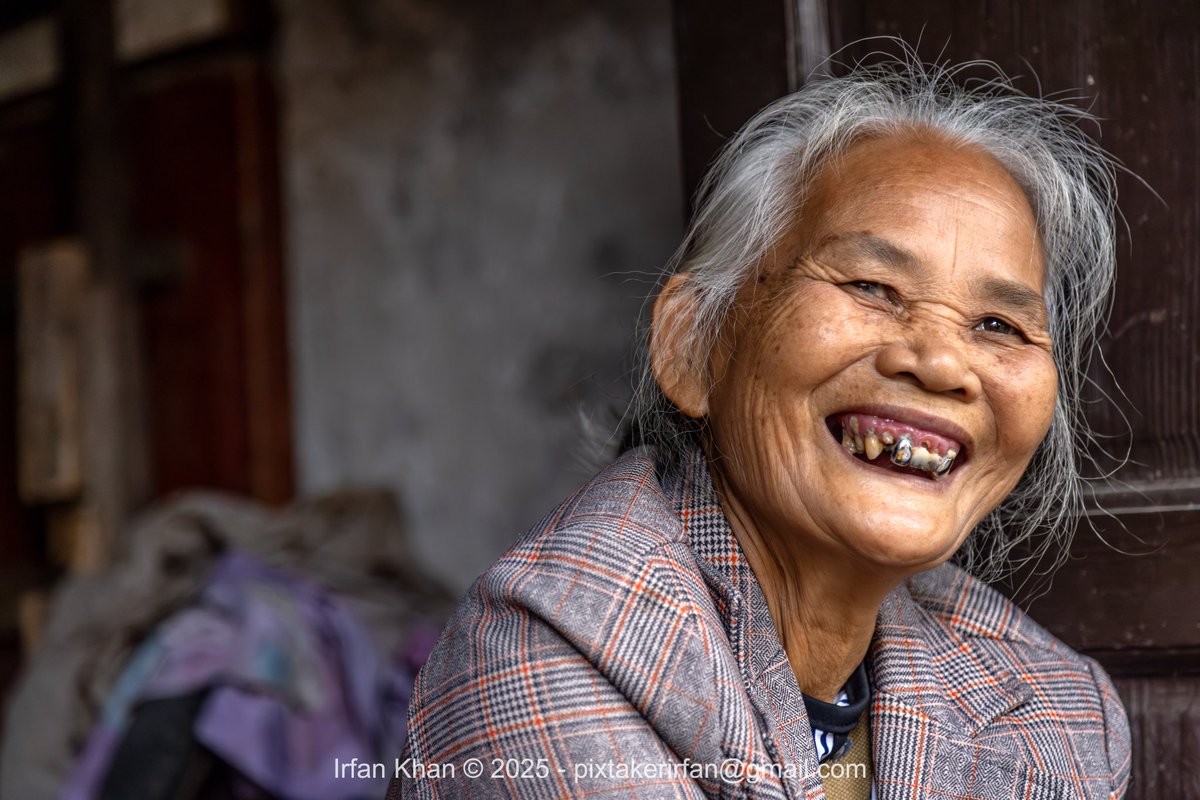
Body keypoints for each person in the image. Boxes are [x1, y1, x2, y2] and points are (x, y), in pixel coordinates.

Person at [388, 55, 1130, 800]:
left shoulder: (1056, 709)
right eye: (872, 286)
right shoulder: (553, 647)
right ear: (695, 346)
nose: (941, 363)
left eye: (999, 324)